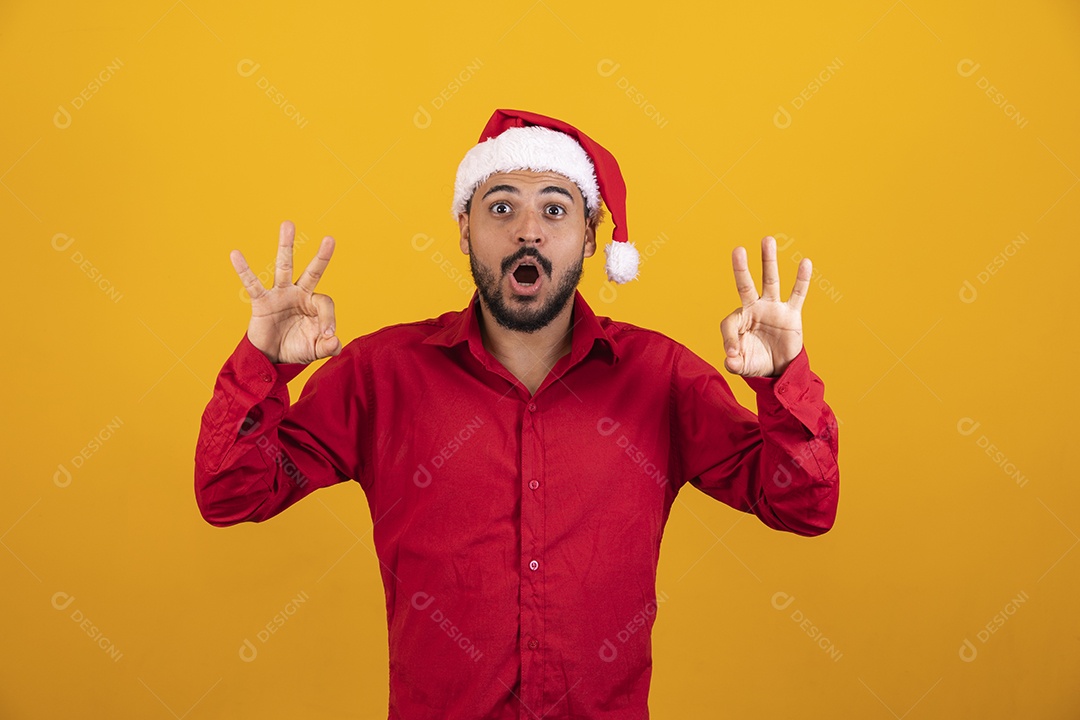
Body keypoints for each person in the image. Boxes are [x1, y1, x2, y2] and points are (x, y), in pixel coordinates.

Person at [195, 108, 839, 719]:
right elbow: (231, 492)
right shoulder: (381, 374)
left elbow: (803, 506)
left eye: (554, 210)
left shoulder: (659, 377)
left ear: (589, 237)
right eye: (500, 206)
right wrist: (263, 362)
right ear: (464, 229)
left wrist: (784, 380)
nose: (528, 229)